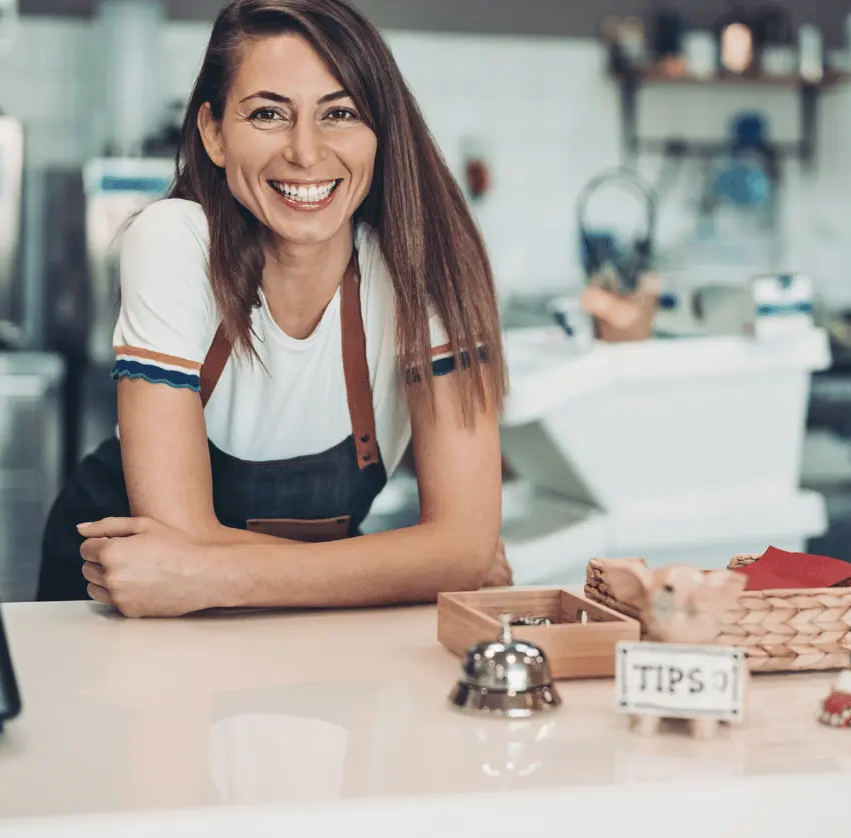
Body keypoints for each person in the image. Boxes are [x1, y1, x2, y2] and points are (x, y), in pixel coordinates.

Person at [36, 0, 511, 616]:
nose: (306, 153)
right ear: (213, 133)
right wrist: (411, 565)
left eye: (339, 113)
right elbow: (456, 557)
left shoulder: (427, 263)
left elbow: (464, 552)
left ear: (380, 133)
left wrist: (202, 572)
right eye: (267, 114)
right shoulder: (172, 238)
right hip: (114, 602)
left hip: (270, 612)